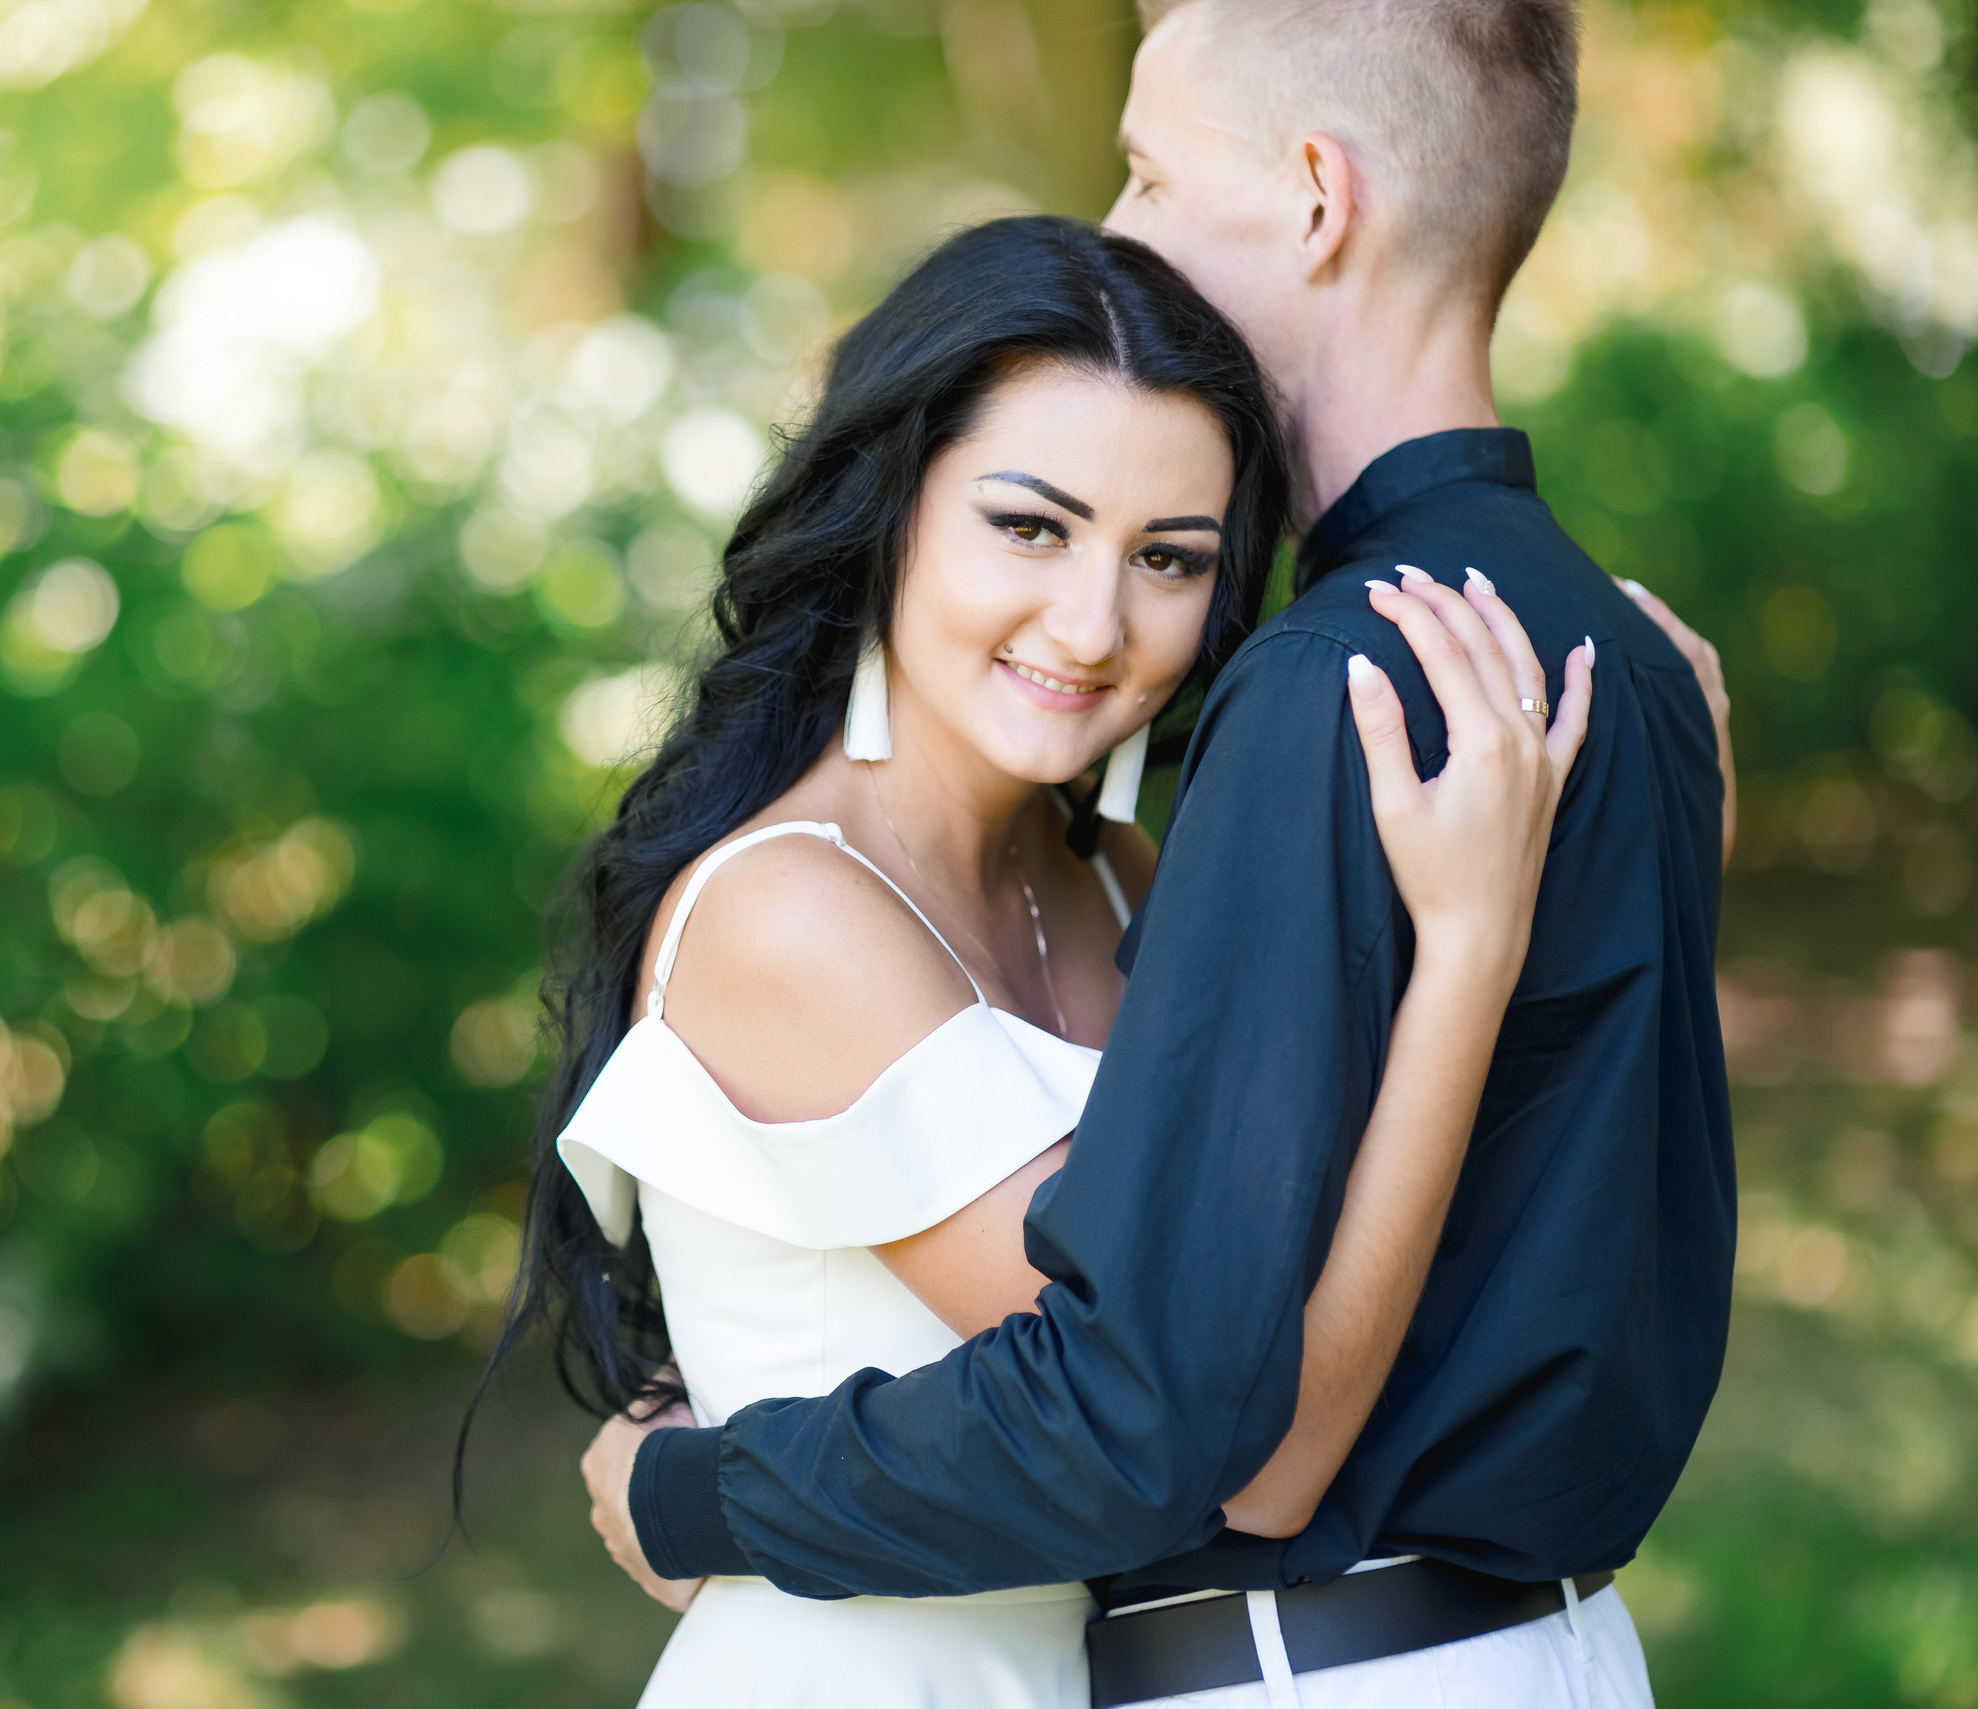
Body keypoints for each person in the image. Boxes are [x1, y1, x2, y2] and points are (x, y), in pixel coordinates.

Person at [577, 0, 1740, 1704]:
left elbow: (1185, 1423)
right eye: (1028, 525)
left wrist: (693, 1489)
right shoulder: (1619, 661)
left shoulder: (1315, 703)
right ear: (902, 509)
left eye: (1141, 170)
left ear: (1318, 196)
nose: (1097, 615)